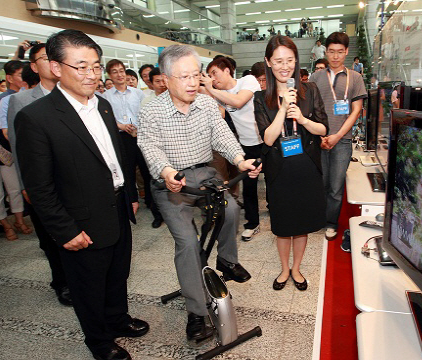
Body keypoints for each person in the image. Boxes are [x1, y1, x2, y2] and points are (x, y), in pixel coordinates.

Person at [14, 29, 147, 360]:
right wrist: (65, 230)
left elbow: (116, 157)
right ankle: (99, 342)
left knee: (118, 274)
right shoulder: (36, 117)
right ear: (57, 68)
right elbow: (39, 186)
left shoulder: (102, 105)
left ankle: (117, 320)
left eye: (97, 66)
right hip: (80, 219)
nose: (92, 75)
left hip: (116, 207)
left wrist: (129, 193)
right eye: (82, 67)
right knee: (88, 287)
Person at [138, 44, 259, 342]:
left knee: (231, 209)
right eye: (184, 77)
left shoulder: (205, 104)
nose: (193, 82)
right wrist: (166, 172)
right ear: (166, 79)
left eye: (196, 75)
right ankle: (196, 311)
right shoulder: (151, 110)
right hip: (171, 181)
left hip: (204, 173)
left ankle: (226, 260)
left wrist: (240, 159)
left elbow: (222, 136)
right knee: (189, 244)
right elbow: (149, 147)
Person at [254, 35, 327, 291]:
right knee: (284, 226)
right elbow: (267, 137)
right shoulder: (261, 98)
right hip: (279, 170)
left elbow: (323, 129)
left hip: (307, 166)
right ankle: (284, 269)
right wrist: (284, 108)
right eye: (278, 61)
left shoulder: (311, 91)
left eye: (290, 60)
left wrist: (304, 120)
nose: (285, 66)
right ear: (268, 63)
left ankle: (297, 268)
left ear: (296, 62)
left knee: (302, 224)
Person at [7, 42, 71, 306]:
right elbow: (16, 147)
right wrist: (25, 185)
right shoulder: (20, 100)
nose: (52, 62)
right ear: (34, 66)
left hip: (72, 181)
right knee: (50, 236)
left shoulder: (76, 94)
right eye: (45, 58)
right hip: (41, 183)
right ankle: (61, 282)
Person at [309, 32, 367, 242]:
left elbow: (356, 110)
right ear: (325, 51)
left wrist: (337, 135)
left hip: (342, 141)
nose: (335, 56)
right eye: (331, 51)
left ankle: (331, 222)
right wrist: (322, 135)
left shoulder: (355, 78)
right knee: (320, 183)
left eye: (340, 52)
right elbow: (311, 109)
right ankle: (318, 218)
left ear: (347, 52)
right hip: (319, 140)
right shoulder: (316, 77)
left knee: (336, 185)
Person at [203, 56, 263, 241]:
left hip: (267, 140)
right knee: (249, 186)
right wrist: (206, 93)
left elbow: (238, 101)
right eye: (209, 75)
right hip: (246, 144)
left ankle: (281, 219)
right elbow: (221, 114)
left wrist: (210, 89)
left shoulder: (248, 81)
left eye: (215, 73)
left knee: (276, 183)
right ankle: (252, 224)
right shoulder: (219, 93)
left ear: (227, 70)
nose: (213, 78)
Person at [104, 59, 164, 228]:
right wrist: (121, 126)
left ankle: (156, 211)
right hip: (121, 138)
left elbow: (145, 113)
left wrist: (139, 129)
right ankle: (131, 206)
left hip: (141, 136)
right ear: (109, 75)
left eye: (121, 71)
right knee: (127, 175)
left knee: (148, 173)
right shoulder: (105, 97)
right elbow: (106, 119)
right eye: (115, 72)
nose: (119, 74)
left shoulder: (138, 93)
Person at [0, 60, 30, 241]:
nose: (23, 78)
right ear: (9, 78)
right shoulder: (4, 99)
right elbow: (7, 133)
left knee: (16, 189)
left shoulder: (28, 95)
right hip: (5, 154)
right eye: (19, 75)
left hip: (20, 153)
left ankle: (19, 221)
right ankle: (7, 224)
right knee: (1, 193)